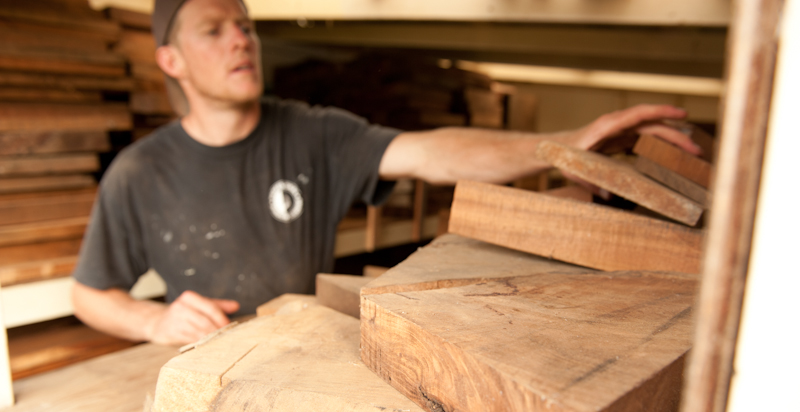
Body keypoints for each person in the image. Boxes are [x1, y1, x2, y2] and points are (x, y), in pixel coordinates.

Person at [71, 0, 703, 346]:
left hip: (306, 348)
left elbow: (434, 152)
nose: (241, 40)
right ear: (170, 59)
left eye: (246, 26)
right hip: (208, 364)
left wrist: (565, 145)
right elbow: (89, 294)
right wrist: (154, 320)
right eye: (215, 31)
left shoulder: (313, 132)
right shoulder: (139, 173)